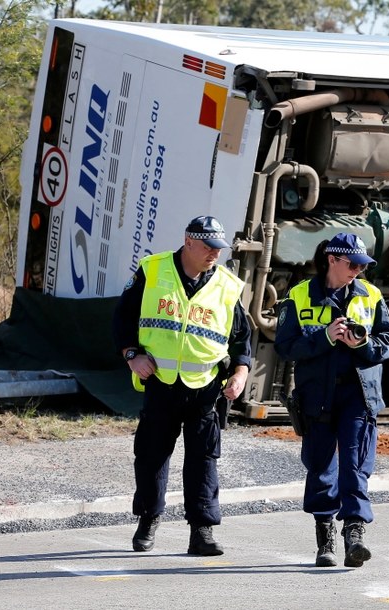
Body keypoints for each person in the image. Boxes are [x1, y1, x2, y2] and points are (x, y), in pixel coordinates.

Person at [112, 215, 252, 556]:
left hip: (206, 389)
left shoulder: (227, 285)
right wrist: (132, 354)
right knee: (151, 457)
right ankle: (148, 522)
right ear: (188, 241)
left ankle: (201, 532)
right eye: (208, 247)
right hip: (160, 382)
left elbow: (242, 341)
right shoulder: (153, 270)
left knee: (204, 460)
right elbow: (122, 319)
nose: (214, 254)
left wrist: (239, 375)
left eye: (219, 248)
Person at [274, 232, 389, 568]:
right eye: (353, 263)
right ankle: (325, 534)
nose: (358, 270)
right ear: (332, 260)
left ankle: (355, 534)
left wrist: (362, 344)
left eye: (363, 264)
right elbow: (285, 347)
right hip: (317, 395)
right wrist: (325, 337)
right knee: (320, 466)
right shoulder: (299, 296)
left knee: (355, 463)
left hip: (358, 393)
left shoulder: (370, 295)